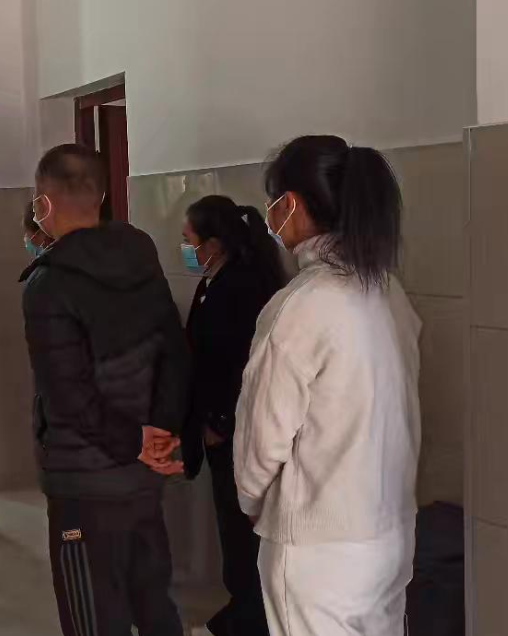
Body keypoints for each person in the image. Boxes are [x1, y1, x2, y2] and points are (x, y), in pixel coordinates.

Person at [234, 135, 421, 636]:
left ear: (291, 204)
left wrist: (253, 503)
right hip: (388, 532)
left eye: (273, 202)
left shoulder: (300, 305)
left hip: (318, 547)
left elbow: (262, 439)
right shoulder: (388, 292)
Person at [20, 143, 190, 636]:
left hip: (85, 483)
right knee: (153, 602)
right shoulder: (140, 254)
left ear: (43, 204)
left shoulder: (48, 284)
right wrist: (158, 435)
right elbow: (175, 351)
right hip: (144, 475)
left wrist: (136, 441)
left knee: (93, 615)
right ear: (101, 196)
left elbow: (67, 396)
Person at [180, 195, 286, 636]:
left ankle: (250, 617)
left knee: (243, 531)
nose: (186, 250)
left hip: (237, 431)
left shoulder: (242, 287)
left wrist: (220, 422)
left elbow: (242, 365)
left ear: (214, 243)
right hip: (220, 429)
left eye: (189, 241)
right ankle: (242, 607)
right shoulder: (215, 281)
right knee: (232, 528)